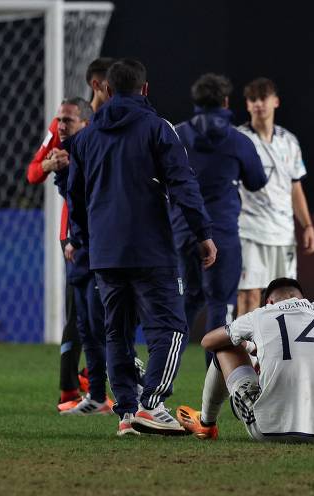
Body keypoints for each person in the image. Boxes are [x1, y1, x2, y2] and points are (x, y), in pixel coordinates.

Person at [66, 58, 217, 436]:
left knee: (115, 332)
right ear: (145, 90)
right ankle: (151, 404)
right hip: (150, 250)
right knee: (172, 326)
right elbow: (183, 183)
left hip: (105, 254)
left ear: (108, 91)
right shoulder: (157, 128)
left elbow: (76, 198)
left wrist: (86, 240)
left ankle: (126, 415)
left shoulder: (84, 139)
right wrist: (202, 233)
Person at [26, 57, 115, 411]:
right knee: (82, 313)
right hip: (78, 236)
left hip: (110, 232)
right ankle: (75, 388)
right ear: (98, 85)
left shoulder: (114, 124)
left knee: (106, 313)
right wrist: (52, 163)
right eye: (112, 86)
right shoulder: (68, 125)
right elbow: (34, 171)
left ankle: (104, 382)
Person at [176, 278, 314, 443]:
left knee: (225, 346)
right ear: (301, 298)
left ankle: (206, 424)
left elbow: (208, 341)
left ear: (269, 301)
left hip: (269, 429)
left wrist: (249, 346)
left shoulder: (262, 314)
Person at [171, 74, 267, 362]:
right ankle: (215, 380)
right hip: (222, 232)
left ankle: (162, 373)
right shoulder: (239, 141)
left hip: (181, 230)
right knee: (220, 305)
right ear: (226, 101)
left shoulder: (177, 135)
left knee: (187, 301)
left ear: (196, 102)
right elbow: (257, 181)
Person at [236, 78, 314, 317]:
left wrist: (308, 225)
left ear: (275, 101)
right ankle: (245, 355)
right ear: (247, 105)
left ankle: (280, 354)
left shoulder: (289, 141)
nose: (258, 104)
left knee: (286, 300)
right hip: (248, 231)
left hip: (283, 233)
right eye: (253, 99)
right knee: (248, 296)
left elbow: (295, 188)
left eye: (263, 98)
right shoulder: (239, 139)